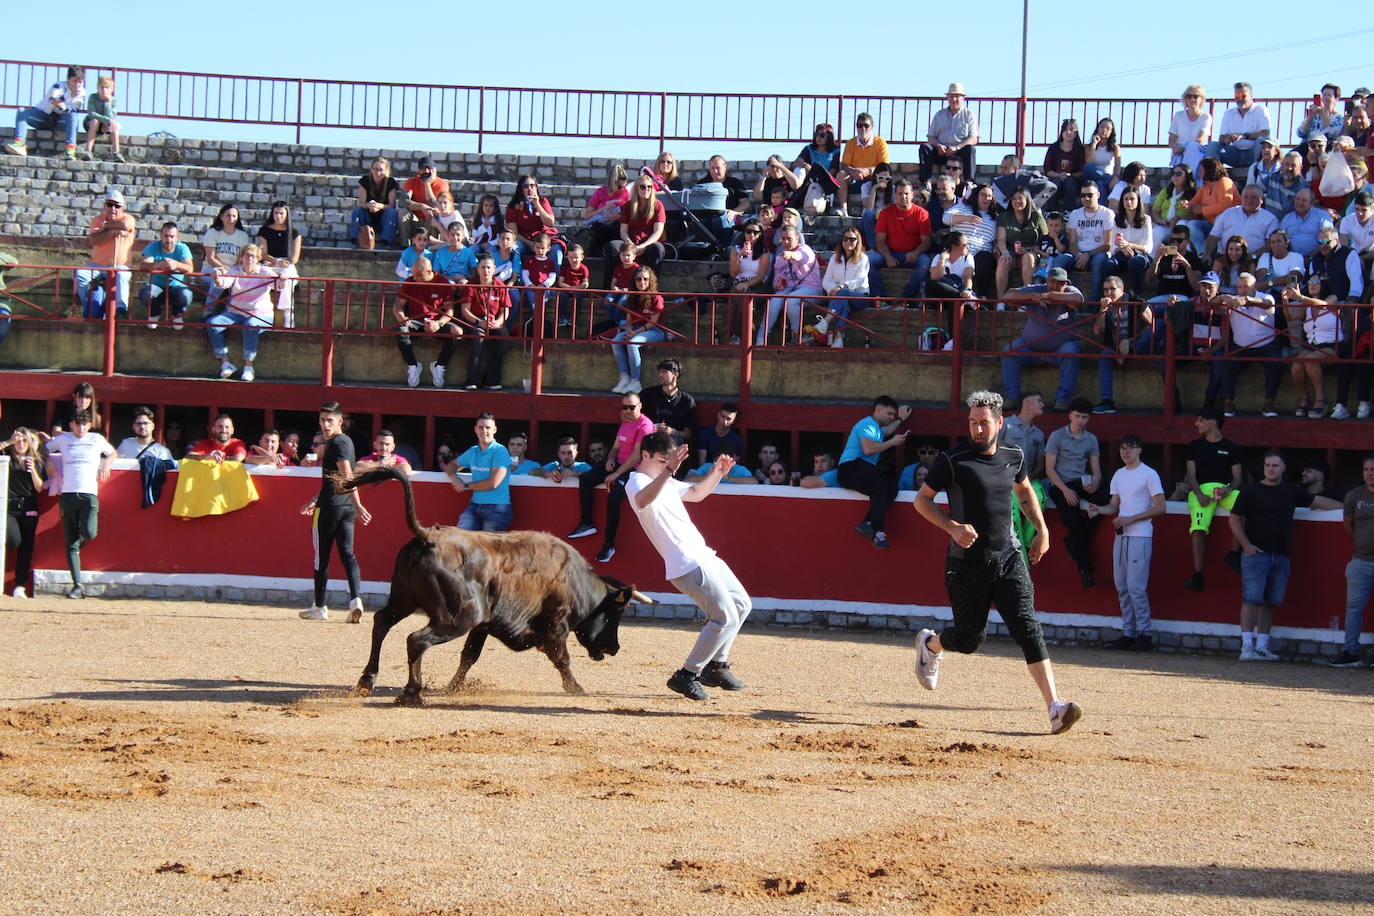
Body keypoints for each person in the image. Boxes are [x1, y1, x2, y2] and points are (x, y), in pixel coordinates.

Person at [913, 390, 1082, 735]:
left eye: (983, 423)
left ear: (1000, 423)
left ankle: (1054, 708)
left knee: (1028, 627)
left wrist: (1042, 530)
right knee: (970, 640)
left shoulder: (1013, 455)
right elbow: (922, 501)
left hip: (1009, 557)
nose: (977, 429)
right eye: (972, 422)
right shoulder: (951, 460)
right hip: (965, 564)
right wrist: (951, 526)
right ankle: (930, 645)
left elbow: (1023, 491)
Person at [627, 431, 753, 700]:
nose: (667, 467)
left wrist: (718, 472)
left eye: (670, 462)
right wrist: (669, 471)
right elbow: (642, 501)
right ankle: (687, 674)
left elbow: (696, 493)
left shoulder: (666, 482)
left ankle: (716, 666)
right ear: (645, 455)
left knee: (742, 605)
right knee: (724, 617)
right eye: (662, 461)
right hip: (686, 563)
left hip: (704, 555)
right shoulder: (636, 481)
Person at [1229, 451, 1341, 660]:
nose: (1270, 469)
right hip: (1256, 553)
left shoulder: (1292, 491)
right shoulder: (1251, 491)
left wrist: (1345, 508)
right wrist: (1247, 545)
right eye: (1267, 465)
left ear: (1283, 468)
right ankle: (1246, 646)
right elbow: (1234, 519)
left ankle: (1261, 645)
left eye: (1274, 466)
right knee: (1251, 599)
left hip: (1281, 554)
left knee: (1271, 600)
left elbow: (1317, 501)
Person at [1088, 435, 1166, 651]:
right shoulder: (1119, 475)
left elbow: (1161, 507)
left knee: (1135, 587)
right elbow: (1115, 506)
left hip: (1140, 534)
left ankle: (1144, 633)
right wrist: (1099, 510)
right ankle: (1129, 632)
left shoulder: (1149, 474)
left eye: (1130, 448)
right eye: (1122, 448)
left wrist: (1130, 519)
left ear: (1139, 450)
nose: (1125, 452)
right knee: (1122, 585)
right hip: (1122, 534)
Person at [298, 402, 370, 622]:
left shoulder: (336, 443)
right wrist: (315, 499)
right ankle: (355, 600)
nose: (325, 424)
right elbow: (334, 480)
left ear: (340, 421)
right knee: (348, 554)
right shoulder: (345, 441)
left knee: (322, 558)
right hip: (344, 507)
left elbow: (347, 476)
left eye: (330, 420)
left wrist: (358, 504)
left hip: (331, 508)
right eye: (322, 420)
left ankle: (319, 606)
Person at [567, 392, 656, 564]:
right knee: (586, 479)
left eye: (632, 407)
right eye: (625, 407)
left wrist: (615, 473)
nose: (628, 411)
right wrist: (609, 459)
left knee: (614, 497)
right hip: (618, 465)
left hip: (635, 471)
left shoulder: (644, 425)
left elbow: (637, 455)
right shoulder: (626, 422)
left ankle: (609, 544)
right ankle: (587, 523)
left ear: (640, 406)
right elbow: (615, 448)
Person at [44, 409, 115, 599]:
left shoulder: (96, 439)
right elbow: (45, 448)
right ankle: (77, 584)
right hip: (68, 494)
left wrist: (106, 464)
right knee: (70, 543)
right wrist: (47, 461)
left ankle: (76, 545)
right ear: (71, 425)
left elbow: (112, 452)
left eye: (85, 424)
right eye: (78, 424)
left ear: (89, 425)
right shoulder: (64, 439)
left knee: (89, 533)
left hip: (89, 493)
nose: (81, 428)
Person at [999, 267, 1088, 412]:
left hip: (1061, 347)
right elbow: (1007, 296)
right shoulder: (1037, 288)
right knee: (1008, 352)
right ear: (1046, 281)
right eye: (1052, 282)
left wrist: (1050, 296)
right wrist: (1033, 296)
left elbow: (1078, 299)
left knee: (1071, 352)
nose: (1056, 285)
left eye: (1060, 283)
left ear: (1066, 283)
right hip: (1031, 347)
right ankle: (1012, 397)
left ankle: (1062, 399)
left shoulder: (1070, 290)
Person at [1044, 398, 1109, 588]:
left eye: (1084, 417)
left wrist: (1096, 482)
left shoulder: (1091, 439)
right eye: (1078, 416)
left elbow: (1096, 470)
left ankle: (1074, 543)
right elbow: (1049, 469)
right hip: (1060, 483)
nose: (1080, 420)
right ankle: (1085, 569)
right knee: (1072, 521)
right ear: (1070, 415)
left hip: (1082, 481)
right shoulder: (1057, 436)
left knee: (1103, 502)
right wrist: (1065, 490)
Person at [838, 396, 911, 550]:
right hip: (850, 468)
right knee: (879, 484)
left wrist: (901, 419)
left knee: (892, 488)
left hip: (862, 470)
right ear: (878, 410)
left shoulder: (876, 428)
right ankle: (878, 531)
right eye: (890, 414)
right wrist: (893, 442)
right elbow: (869, 449)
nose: (892, 417)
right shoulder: (867, 423)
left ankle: (868, 523)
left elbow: (889, 430)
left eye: (893, 415)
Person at [1183, 406, 1243, 592]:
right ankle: (1198, 574)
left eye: (1201, 420)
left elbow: (1238, 478)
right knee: (1198, 529)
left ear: (1213, 422)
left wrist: (1229, 488)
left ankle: (1234, 553)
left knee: (1244, 505)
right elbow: (1191, 476)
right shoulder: (1194, 446)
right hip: (1201, 490)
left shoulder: (1231, 447)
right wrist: (1200, 495)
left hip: (1224, 490)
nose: (1196, 424)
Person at [206, 244, 278, 383]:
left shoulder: (265, 271)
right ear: (241, 258)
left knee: (250, 325)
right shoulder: (235, 270)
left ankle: (248, 366)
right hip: (236, 312)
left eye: (253, 256)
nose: (249, 259)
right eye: (246, 255)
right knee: (212, 324)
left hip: (260, 314)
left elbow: (278, 285)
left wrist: (283, 278)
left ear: (258, 258)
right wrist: (217, 277)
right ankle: (225, 362)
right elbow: (223, 283)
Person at [392, 255, 460, 388]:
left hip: (437, 322)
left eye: (418, 275)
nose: (415, 278)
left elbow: (450, 310)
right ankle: (413, 366)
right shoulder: (410, 281)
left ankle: (439, 366)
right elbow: (397, 305)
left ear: (429, 272)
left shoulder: (442, 282)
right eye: (413, 274)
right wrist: (402, 317)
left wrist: (439, 323)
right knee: (401, 330)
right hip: (415, 322)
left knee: (457, 332)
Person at [1332, 454, 1374, 667]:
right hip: (1361, 559)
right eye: (1366, 469)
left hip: (1362, 558)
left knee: (1355, 607)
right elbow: (1348, 524)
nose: (1369, 473)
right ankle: (1351, 651)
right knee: (1354, 607)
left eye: (1373, 469)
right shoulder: (1354, 496)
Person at [1091, 276, 1152, 415]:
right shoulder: (1103, 304)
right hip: (1115, 345)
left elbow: (1150, 323)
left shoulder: (1133, 299)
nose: (1108, 293)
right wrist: (1103, 311)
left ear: (1122, 289)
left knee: (1149, 335)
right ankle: (1107, 402)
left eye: (1112, 289)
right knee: (1105, 356)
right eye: (1105, 290)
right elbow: (1096, 331)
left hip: (1136, 341)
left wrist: (1131, 340)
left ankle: (1127, 349)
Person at [1282, 274, 1340, 418]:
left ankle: (1321, 399)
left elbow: (1323, 305)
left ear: (1324, 284)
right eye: (1310, 282)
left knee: (1309, 359)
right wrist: (1285, 301)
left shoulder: (1332, 298)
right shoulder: (1306, 305)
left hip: (1332, 345)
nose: (1312, 285)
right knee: (1296, 365)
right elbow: (1291, 317)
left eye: (1316, 282)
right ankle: (1304, 398)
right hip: (1312, 346)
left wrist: (1300, 297)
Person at [443, 413, 513, 533]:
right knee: (460, 540)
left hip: (497, 508)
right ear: (475, 429)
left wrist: (465, 486)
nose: (484, 431)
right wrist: (455, 478)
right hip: (475, 504)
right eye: (481, 427)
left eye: (488, 428)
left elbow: (493, 483)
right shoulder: (473, 451)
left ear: (494, 430)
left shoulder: (500, 451)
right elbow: (451, 465)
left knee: (490, 549)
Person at [866, 178, 933, 301]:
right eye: (900, 194)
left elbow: (926, 241)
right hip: (889, 253)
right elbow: (880, 240)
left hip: (913, 255)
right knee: (865, 262)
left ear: (912, 195)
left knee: (925, 263)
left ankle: (906, 299)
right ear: (895, 195)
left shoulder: (922, 213)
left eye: (906, 193)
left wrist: (916, 253)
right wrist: (888, 257)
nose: (903, 197)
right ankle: (881, 298)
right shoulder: (885, 213)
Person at [74, 188, 136, 319]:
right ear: (105, 206)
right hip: (97, 266)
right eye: (110, 204)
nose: (113, 208)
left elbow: (124, 225)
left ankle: (121, 309)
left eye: (117, 206)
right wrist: (113, 231)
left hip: (119, 266)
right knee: (79, 274)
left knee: (122, 275)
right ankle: (88, 303)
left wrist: (106, 226)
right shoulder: (97, 220)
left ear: (122, 208)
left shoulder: (128, 218)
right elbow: (94, 240)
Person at [758, 226, 821, 346]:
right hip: (790, 289)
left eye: (789, 238)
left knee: (791, 300)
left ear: (797, 238)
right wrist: (778, 285)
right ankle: (762, 336)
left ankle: (798, 335)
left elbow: (801, 257)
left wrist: (791, 255)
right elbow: (776, 282)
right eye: (783, 239)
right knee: (775, 301)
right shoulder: (780, 258)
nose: (785, 242)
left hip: (811, 290)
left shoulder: (805, 249)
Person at [6, 65, 85, 159]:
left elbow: (71, 110)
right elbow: (53, 100)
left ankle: (70, 149)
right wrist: (69, 96)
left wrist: (61, 105)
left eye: (80, 82)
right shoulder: (58, 85)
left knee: (73, 116)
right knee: (22, 111)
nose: (77, 85)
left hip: (60, 122)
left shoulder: (82, 93)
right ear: (68, 79)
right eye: (74, 81)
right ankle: (19, 143)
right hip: (43, 118)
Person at [458, 253, 511, 392]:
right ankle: (472, 380)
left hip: (494, 321)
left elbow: (505, 310)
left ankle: (492, 380)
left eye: (488, 268)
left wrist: (498, 323)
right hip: (474, 320)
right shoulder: (471, 285)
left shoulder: (500, 285)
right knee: (478, 338)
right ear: (478, 268)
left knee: (503, 336)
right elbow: (465, 311)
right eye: (482, 268)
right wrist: (479, 322)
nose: (486, 271)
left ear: (494, 268)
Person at [610, 266, 667, 393]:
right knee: (615, 342)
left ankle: (635, 381)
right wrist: (629, 329)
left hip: (654, 331)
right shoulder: (633, 295)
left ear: (650, 280)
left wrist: (634, 333)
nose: (642, 282)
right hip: (635, 328)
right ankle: (624, 377)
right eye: (638, 279)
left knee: (632, 343)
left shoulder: (656, 298)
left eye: (645, 279)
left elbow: (653, 323)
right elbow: (628, 317)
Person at [604, 174, 666, 289]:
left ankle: (652, 289)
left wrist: (643, 246)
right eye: (643, 187)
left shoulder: (658, 206)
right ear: (637, 188)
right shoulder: (628, 206)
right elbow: (623, 231)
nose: (646, 189)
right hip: (630, 243)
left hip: (649, 243)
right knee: (612, 246)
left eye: (649, 187)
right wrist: (631, 246)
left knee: (658, 249)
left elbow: (658, 232)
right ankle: (609, 289)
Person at [3, 427, 44, 598]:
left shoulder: (36, 461)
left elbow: (39, 488)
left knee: (26, 546)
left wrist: (33, 470)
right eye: (18, 441)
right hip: (8, 506)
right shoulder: (7, 459)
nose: (21, 444)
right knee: (13, 540)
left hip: (29, 506)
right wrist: (8, 442)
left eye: (24, 441)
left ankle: (20, 585)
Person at [138, 221, 194, 329]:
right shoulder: (153, 246)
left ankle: (177, 314)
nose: (169, 240)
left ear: (177, 237)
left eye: (172, 236)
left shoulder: (182, 248)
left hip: (176, 287)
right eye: (166, 236)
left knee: (186, 295)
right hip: (156, 286)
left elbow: (189, 268)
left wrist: (176, 264)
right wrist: (159, 264)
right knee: (146, 294)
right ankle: (154, 313)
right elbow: (143, 265)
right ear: (161, 236)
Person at [1203, 82, 1271, 169]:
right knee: (1212, 146)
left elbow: (1265, 133)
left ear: (1251, 96)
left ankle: (1259, 173)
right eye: (1236, 96)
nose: (1239, 99)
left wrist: (1244, 136)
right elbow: (1221, 138)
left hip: (1254, 153)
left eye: (1243, 96)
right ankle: (1214, 178)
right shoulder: (1229, 113)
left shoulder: (1261, 110)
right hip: (1235, 153)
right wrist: (1227, 139)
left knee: (1263, 141)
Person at [920, 83, 979, 183]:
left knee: (970, 149)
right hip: (941, 152)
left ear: (963, 98)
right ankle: (925, 182)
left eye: (957, 96)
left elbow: (973, 138)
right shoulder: (939, 115)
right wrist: (939, 146)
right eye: (951, 96)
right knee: (925, 148)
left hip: (959, 153)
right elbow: (931, 137)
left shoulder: (969, 115)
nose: (954, 99)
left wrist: (957, 147)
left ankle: (969, 182)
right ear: (947, 98)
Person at [255, 201, 302, 327]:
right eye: (276, 213)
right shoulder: (265, 231)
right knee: (260, 278)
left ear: (287, 214)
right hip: (270, 262)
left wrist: (285, 263)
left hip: (286, 264)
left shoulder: (295, 233)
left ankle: (288, 318)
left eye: (281, 213)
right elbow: (263, 253)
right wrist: (276, 261)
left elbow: (295, 258)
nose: (278, 216)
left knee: (287, 280)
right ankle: (259, 315)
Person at [995, 187, 1048, 296]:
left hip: (1032, 253)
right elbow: (1001, 240)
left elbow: (1046, 239)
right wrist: (1004, 252)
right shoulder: (1005, 217)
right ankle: (1000, 301)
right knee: (1002, 260)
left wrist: (1029, 249)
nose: (1016, 201)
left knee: (1028, 257)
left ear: (1027, 200)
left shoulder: (1036, 217)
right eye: (1014, 199)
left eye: (1020, 198)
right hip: (1011, 253)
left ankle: (1026, 297)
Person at [1205, 184, 1278, 262]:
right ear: (1241, 197)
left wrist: (1253, 256)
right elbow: (1213, 236)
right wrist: (1207, 254)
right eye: (1245, 197)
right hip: (1225, 260)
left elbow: (1270, 245)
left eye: (1254, 197)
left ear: (1262, 199)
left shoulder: (1270, 219)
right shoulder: (1229, 213)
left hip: (1253, 261)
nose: (1249, 201)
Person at [1182, 158, 1240, 254]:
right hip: (1211, 226)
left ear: (1209, 170)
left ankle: (1218, 254)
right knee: (1192, 225)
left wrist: (1202, 210)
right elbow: (1193, 203)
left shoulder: (1224, 182)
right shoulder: (1205, 187)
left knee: (1219, 218)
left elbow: (1225, 207)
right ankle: (1202, 254)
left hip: (1228, 226)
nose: (1199, 173)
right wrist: (1186, 205)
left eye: (1201, 170)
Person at [1067, 182, 1115, 297]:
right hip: (1079, 254)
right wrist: (1079, 255)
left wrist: (1088, 254)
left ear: (1098, 195)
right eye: (1083, 195)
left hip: (1099, 253)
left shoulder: (1107, 214)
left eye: (1090, 195)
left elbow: (1107, 244)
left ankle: (1093, 305)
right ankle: (1062, 302)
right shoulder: (1075, 214)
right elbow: (1072, 242)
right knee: (1060, 261)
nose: (1086, 198)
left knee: (1098, 262)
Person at [506, 174, 563, 269]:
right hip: (523, 239)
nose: (529, 188)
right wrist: (530, 244)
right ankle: (516, 279)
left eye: (532, 185)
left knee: (556, 250)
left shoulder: (543, 201)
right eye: (525, 186)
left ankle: (554, 279)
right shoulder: (513, 206)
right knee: (513, 249)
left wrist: (537, 204)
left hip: (544, 238)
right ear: (521, 189)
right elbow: (514, 233)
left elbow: (549, 223)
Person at [836, 113, 889, 215]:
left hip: (873, 178)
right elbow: (844, 165)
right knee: (841, 175)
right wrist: (854, 171)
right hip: (855, 177)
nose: (863, 129)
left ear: (872, 127)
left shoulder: (880, 143)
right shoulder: (851, 143)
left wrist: (867, 171)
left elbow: (884, 166)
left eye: (866, 126)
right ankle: (844, 209)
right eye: (860, 126)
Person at [1108, 187, 1154, 296]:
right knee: (1108, 264)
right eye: (1126, 199)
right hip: (1122, 255)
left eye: (1132, 199)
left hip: (1140, 256)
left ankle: (1135, 296)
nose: (1129, 202)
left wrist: (1130, 245)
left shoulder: (1146, 219)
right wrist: (1122, 249)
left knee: (1134, 262)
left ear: (1138, 201)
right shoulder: (1116, 220)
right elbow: (1112, 247)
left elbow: (1148, 247)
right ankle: (1110, 297)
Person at [639, 358, 696, 445]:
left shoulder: (686, 400)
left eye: (664, 372)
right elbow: (633, 416)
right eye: (660, 372)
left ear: (675, 375)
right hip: (650, 437)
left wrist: (672, 431)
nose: (660, 375)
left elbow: (688, 434)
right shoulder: (648, 394)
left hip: (673, 442)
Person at [580, 164, 631, 255]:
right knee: (598, 227)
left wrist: (617, 217)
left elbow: (629, 214)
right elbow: (586, 215)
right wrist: (603, 209)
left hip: (616, 226)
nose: (621, 190)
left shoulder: (626, 193)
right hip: (601, 226)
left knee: (617, 227)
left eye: (624, 187)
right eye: (619, 187)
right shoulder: (600, 192)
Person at [350, 156, 399, 249]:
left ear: (386, 171)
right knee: (358, 210)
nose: (378, 173)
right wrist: (369, 205)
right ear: (371, 170)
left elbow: (391, 205)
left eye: (381, 170)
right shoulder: (365, 181)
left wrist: (378, 206)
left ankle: (387, 242)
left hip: (382, 219)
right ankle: (355, 240)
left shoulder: (391, 183)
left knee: (391, 212)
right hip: (367, 218)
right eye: (376, 169)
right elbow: (361, 203)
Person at [399, 157, 449, 244]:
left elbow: (436, 206)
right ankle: (405, 245)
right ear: (418, 171)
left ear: (434, 170)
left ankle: (431, 244)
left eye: (428, 168)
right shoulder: (411, 182)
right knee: (403, 212)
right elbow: (402, 202)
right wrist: (422, 206)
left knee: (434, 212)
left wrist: (427, 185)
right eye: (423, 169)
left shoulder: (442, 185)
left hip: (431, 221)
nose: (426, 171)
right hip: (415, 220)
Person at [1168, 84, 1212, 178]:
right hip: (1179, 150)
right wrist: (1175, 148)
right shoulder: (1178, 116)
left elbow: (1200, 140)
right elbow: (1171, 139)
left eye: (1195, 96)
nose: (1192, 99)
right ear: (1185, 99)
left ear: (1201, 99)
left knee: (1192, 147)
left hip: (1196, 149)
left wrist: (1185, 149)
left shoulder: (1206, 117)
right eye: (1189, 96)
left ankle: (1190, 180)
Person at [1043, 119, 1085, 213]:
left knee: (1069, 182)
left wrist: (1070, 175)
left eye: (1071, 129)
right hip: (1056, 177)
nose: (1068, 132)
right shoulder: (1053, 148)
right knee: (1054, 184)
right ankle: (1049, 212)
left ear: (1076, 132)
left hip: (1074, 180)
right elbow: (1047, 169)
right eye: (1065, 129)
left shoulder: (1080, 149)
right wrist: (1058, 175)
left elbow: (1082, 171)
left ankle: (1069, 212)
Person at [1279, 189, 1334, 258]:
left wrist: (1311, 257)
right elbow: (1280, 240)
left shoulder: (1323, 216)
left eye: (1304, 200)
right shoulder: (1287, 218)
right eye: (1297, 199)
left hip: (1318, 258)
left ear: (1312, 203)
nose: (1299, 203)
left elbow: (1328, 239)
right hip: (1291, 259)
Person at [81, 75, 123, 162]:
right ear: (98, 88)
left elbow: (111, 117)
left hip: (104, 126)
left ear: (111, 89)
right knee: (95, 121)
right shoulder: (93, 97)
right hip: (90, 123)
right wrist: (107, 120)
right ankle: (88, 151)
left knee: (114, 126)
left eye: (107, 88)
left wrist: (107, 103)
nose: (104, 90)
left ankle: (116, 153)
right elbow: (91, 114)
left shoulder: (114, 101)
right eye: (102, 87)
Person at [1260, 151, 1309, 219]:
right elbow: (1257, 191)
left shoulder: (1304, 187)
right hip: (1268, 222)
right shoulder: (1272, 177)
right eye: (1287, 164)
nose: (1289, 168)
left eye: (1293, 165)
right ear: (1282, 165)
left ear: (1300, 168)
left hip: (1290, 225)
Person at [1083, 117, 1120, 199]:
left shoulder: (1115, 148)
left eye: (1108, 128)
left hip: (1106, 175)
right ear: (1097, 128)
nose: (1104, 130)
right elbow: (1089, 163)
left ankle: (1102, 208)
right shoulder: (1088, 147)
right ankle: (1107, 180)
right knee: (1087, 167)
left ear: (1111, 132)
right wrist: (1094, 145)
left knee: (1100, 184)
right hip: (1092, 175)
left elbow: (1117, 166)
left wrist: (1115, 178)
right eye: (1102, 127)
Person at [685, 442, 755, 484]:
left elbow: (754, 482)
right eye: (721, 458)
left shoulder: (739, 469)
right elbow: (688, 479)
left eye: (727, 458)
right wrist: (710, 476)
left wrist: (728, 478)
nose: (724, 461)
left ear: (733, 458)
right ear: (715, 458)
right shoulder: (708, 467)